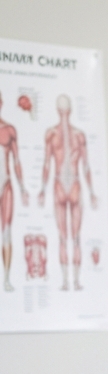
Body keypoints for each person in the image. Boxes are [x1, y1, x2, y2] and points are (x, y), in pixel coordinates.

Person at [38, 95, 98, 292]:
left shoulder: (52, 134)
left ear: (58, 109)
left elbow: (47, 164)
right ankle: (74, 282)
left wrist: (42, 189)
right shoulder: (77, 135)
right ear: (70, 109)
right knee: (73, 237)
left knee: (65, 237)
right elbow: (86, 166)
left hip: (60, 186)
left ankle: (67, 282)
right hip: (73, 185)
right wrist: (91, 193)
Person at [0, 91, 30, 292]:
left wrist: (22, 187)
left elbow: (17, 161)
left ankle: (7, 278)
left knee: (7, 232)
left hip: (6, 185)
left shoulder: (9, 129)